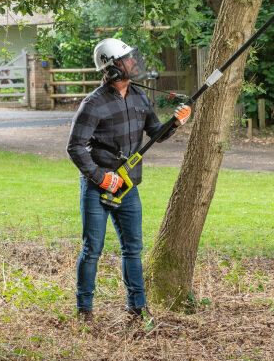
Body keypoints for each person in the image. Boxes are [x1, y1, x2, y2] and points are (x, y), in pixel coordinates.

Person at [66, 38, 191, 326]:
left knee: (132, 248)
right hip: (98, 187)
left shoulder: (139, 97)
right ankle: (84, 310)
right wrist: (100, 177)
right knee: (92, 249)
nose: (134, 63)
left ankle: (137, 307)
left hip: (128, 187)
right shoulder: (92, 104)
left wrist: (176, 122)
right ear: (111, 69)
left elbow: (155, 133)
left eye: (132, 57)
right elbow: (75, 147)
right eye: (127, 59)